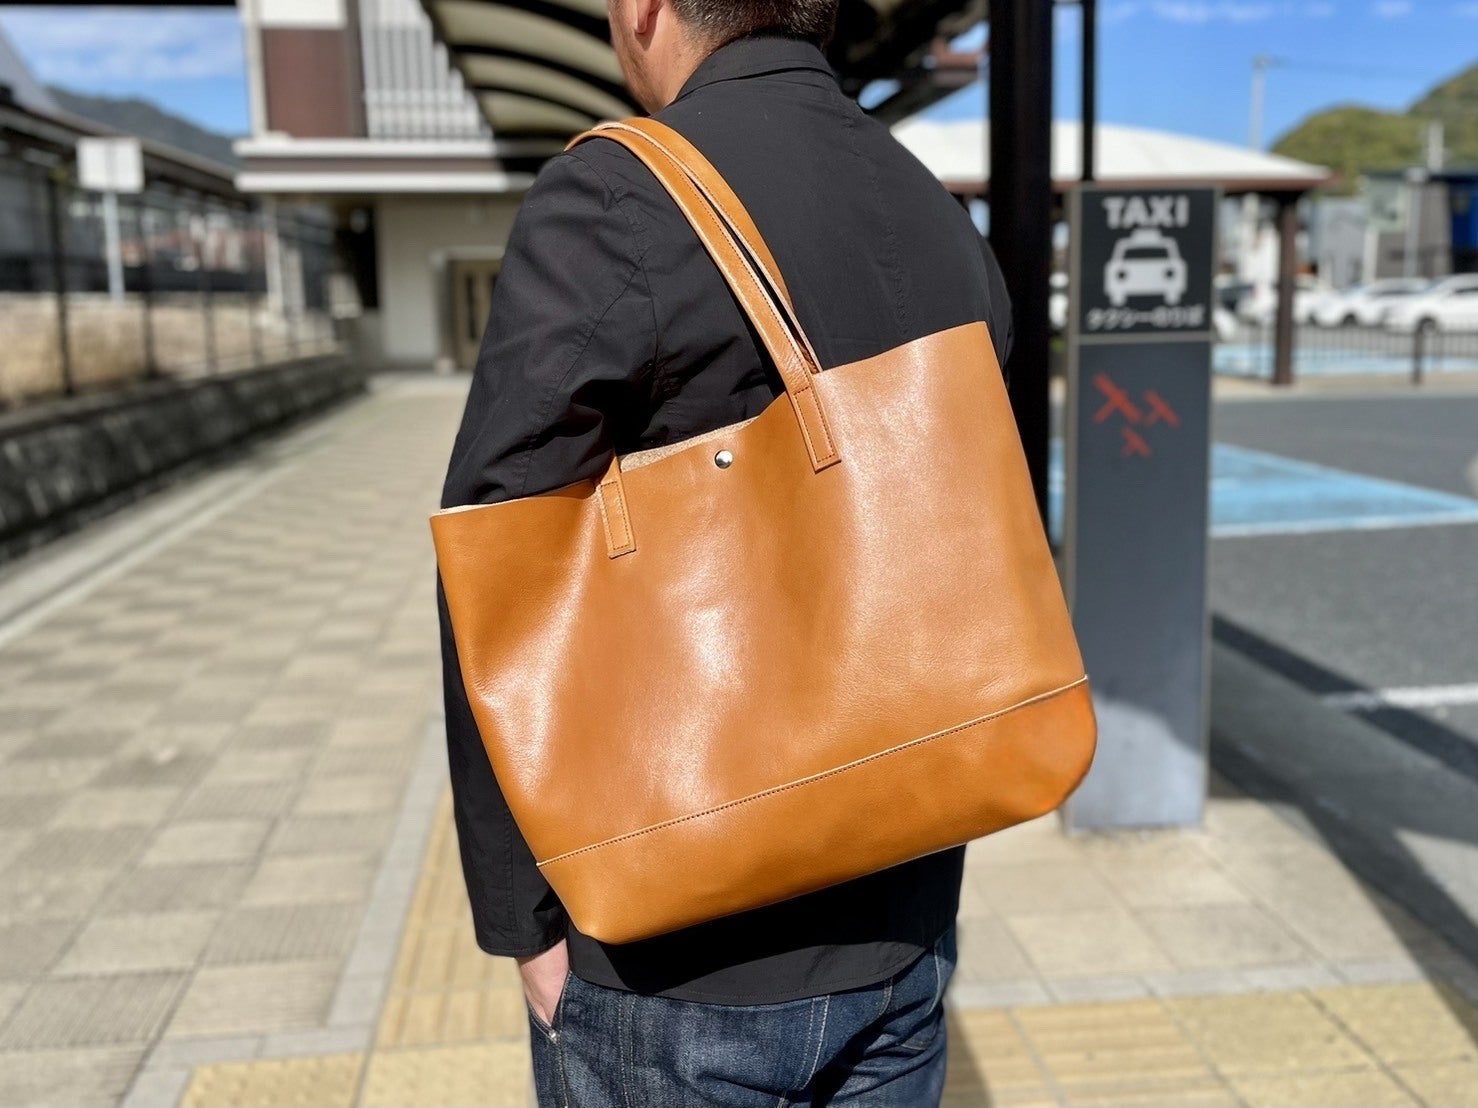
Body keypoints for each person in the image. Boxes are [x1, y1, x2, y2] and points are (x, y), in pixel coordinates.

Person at [437, 1, 1014, 1102]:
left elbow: (494, 558)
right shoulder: (926, 201)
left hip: (674, 954)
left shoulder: (613, 194)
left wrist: (524, 922)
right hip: (907, 914)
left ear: (644, 9)